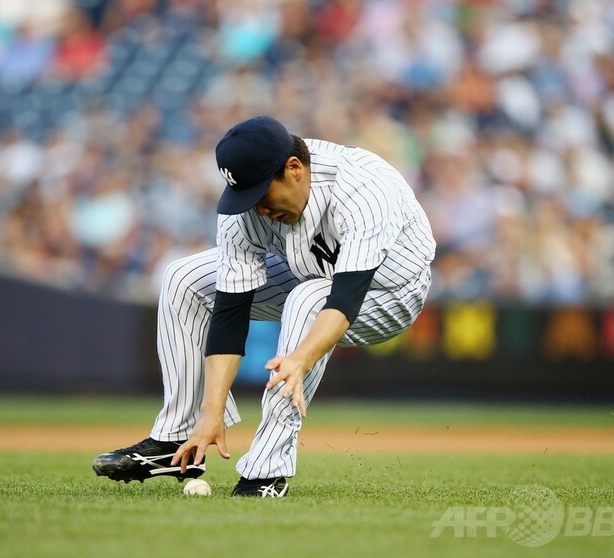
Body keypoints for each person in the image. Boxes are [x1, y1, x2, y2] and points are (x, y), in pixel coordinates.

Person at [92, 116, 436, 497]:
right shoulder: (246, 211)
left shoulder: (363, 188)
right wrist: (212, 411)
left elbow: (344, 297)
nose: (257, 209)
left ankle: (265, 473)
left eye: (261, 195)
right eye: (246, 197)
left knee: (308, 298)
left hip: (391, 291)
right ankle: (178, 439)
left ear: (294, 169)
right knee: (184, 279)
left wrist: (300, 359)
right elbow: (230, 312)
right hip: (309, 271)